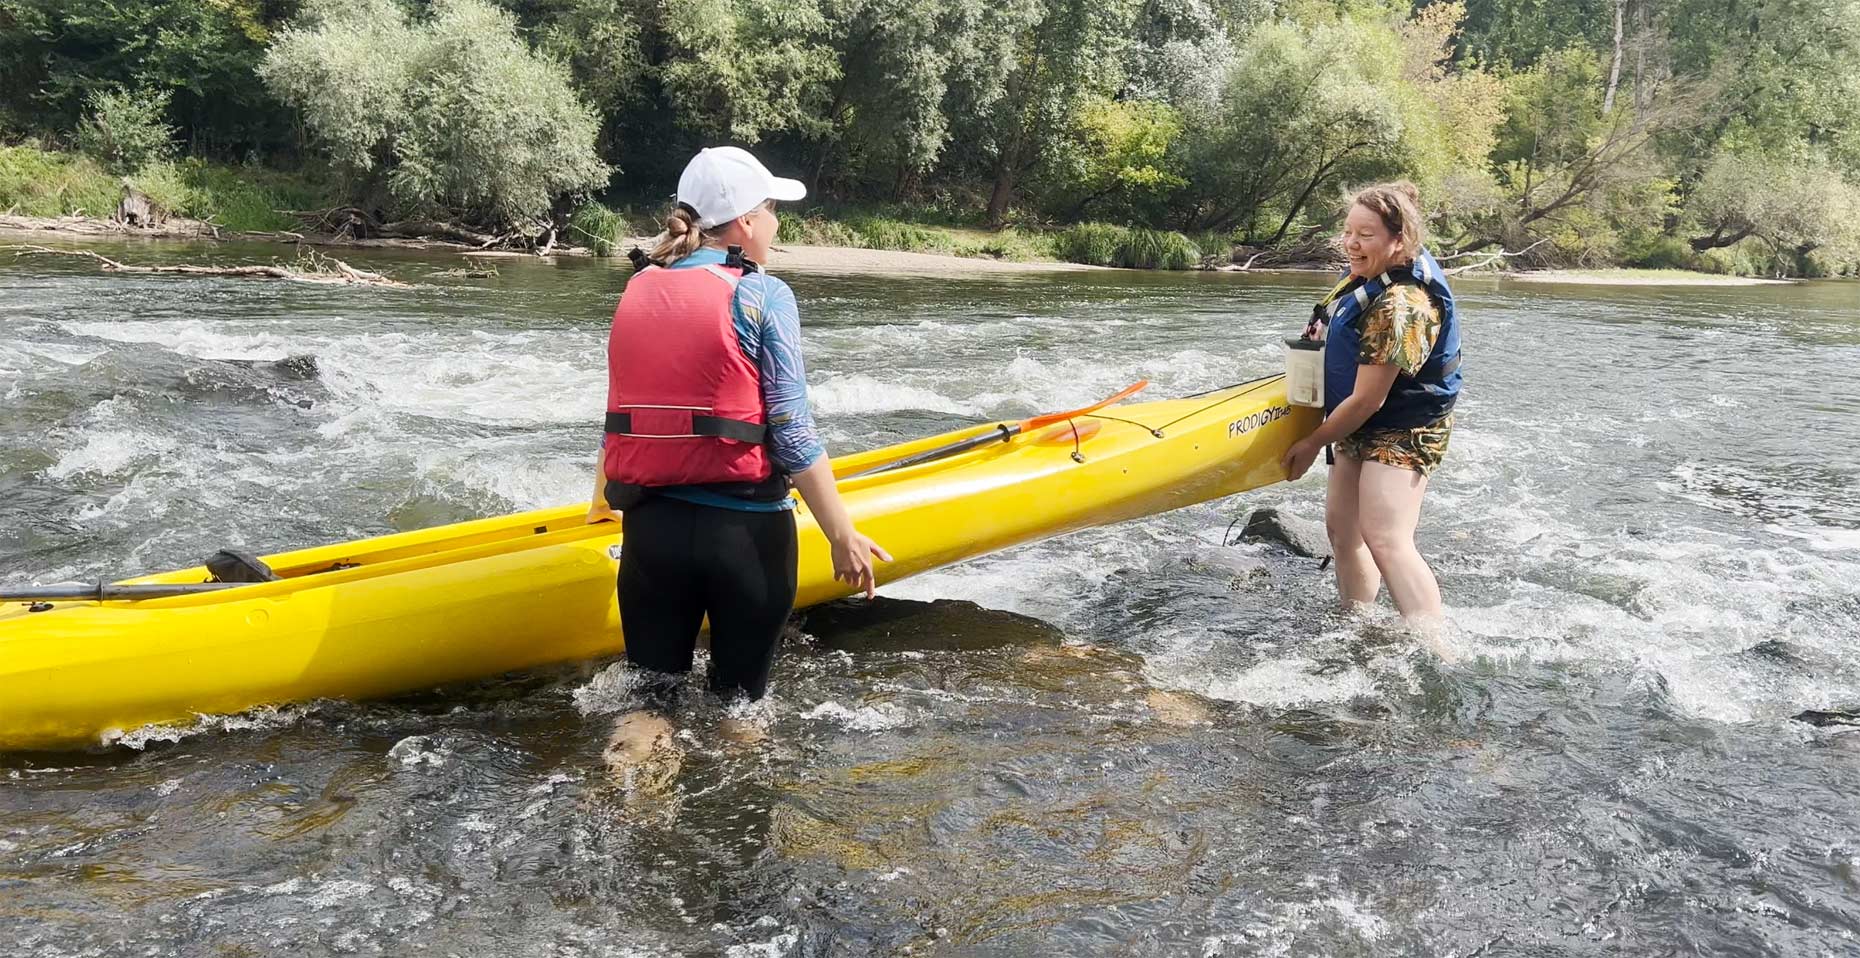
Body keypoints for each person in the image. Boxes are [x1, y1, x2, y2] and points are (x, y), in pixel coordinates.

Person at [587, 146, 889, 765]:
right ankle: (738, 844)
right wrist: (841, 533)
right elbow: (791, 431)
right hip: (746, 538)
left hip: (653, 533)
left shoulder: (638, 288)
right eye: (772, 209)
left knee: (650, 703)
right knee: (739, 711)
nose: (777, 224)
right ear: (746, 221)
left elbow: (621, 416)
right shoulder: (764, 295)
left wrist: (601, 507)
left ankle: (631, 826)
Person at [1281, 181, 1463, 626]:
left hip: (1404, 425)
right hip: (1359, 421)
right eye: (1348, 232)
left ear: (1398, 239)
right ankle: (1356, 623)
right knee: (1343, 532)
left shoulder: (1403, 305)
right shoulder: (1369, 277)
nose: (1351, 244)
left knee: (1385, 537)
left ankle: (1432, 644)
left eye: (1365, 234)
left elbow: (1368, 399)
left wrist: (1309, 444)